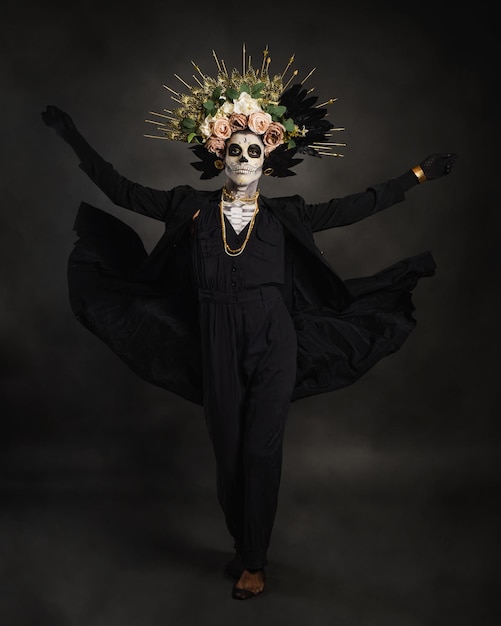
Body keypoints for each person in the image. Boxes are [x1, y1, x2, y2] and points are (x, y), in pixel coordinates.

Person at [42, 47, 457, 600]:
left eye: (253, 149)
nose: (243, 156)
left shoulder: (288, 216)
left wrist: (417, 175)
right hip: (213, 339)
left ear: (267, 159)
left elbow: (359, 204)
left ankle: (255, 559)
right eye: (233, 149)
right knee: (230, 452)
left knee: (262, 450)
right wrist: (72, 137)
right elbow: (119, 189)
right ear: (221, 155)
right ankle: (244, 540)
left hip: (274, 340)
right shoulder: (188, 207)